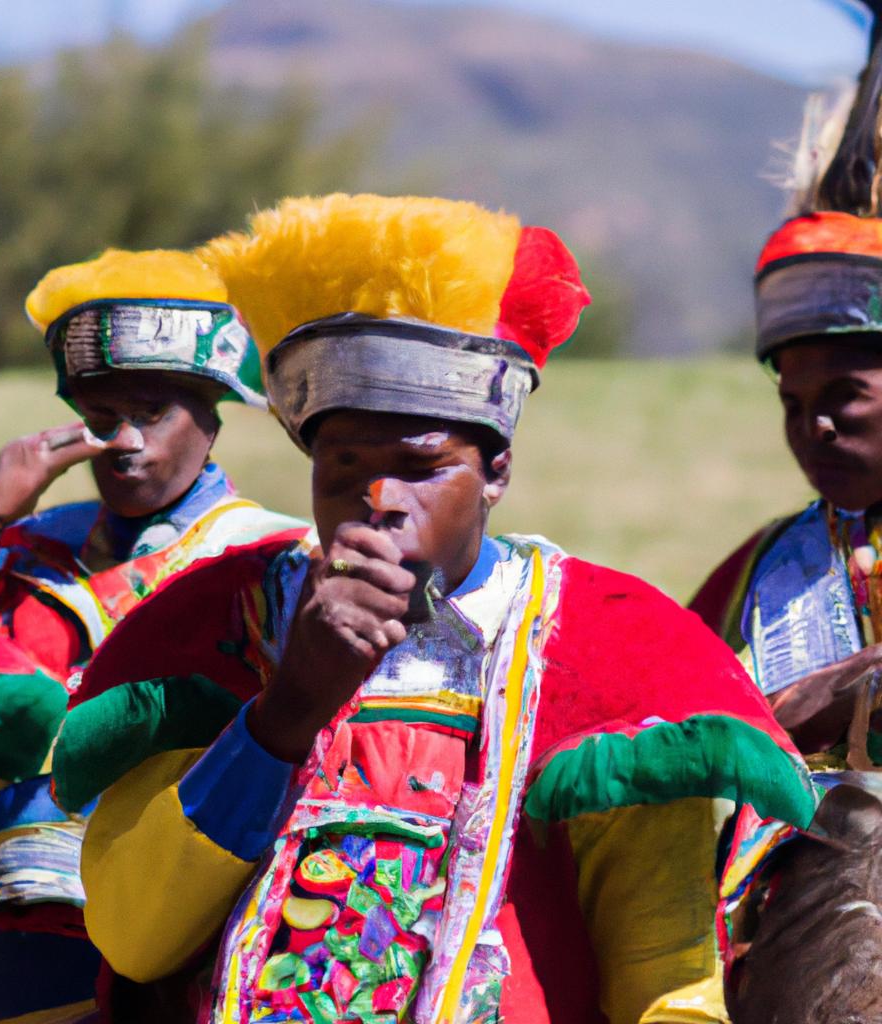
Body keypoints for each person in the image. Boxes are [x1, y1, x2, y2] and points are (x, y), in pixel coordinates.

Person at [57, 195, 815, 1024]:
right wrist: (288, 709)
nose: (378, 500)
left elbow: (662, 973)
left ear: (495, 472)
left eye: (421, 468)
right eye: (343, 465)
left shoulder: (608, 646)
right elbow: (134, 937)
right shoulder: (211, 625)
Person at [0, 249, 307, 1022]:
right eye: (102, 419)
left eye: (153, 413)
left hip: (182, 913)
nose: (125, 441)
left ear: (211, 411)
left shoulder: (267, 561)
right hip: (19, 917)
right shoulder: (29, 549)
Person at [690, 21, 882, 762]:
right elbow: (667, 721)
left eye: (844, 395)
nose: (816, 428)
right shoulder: (761, 569)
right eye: (792, 404)